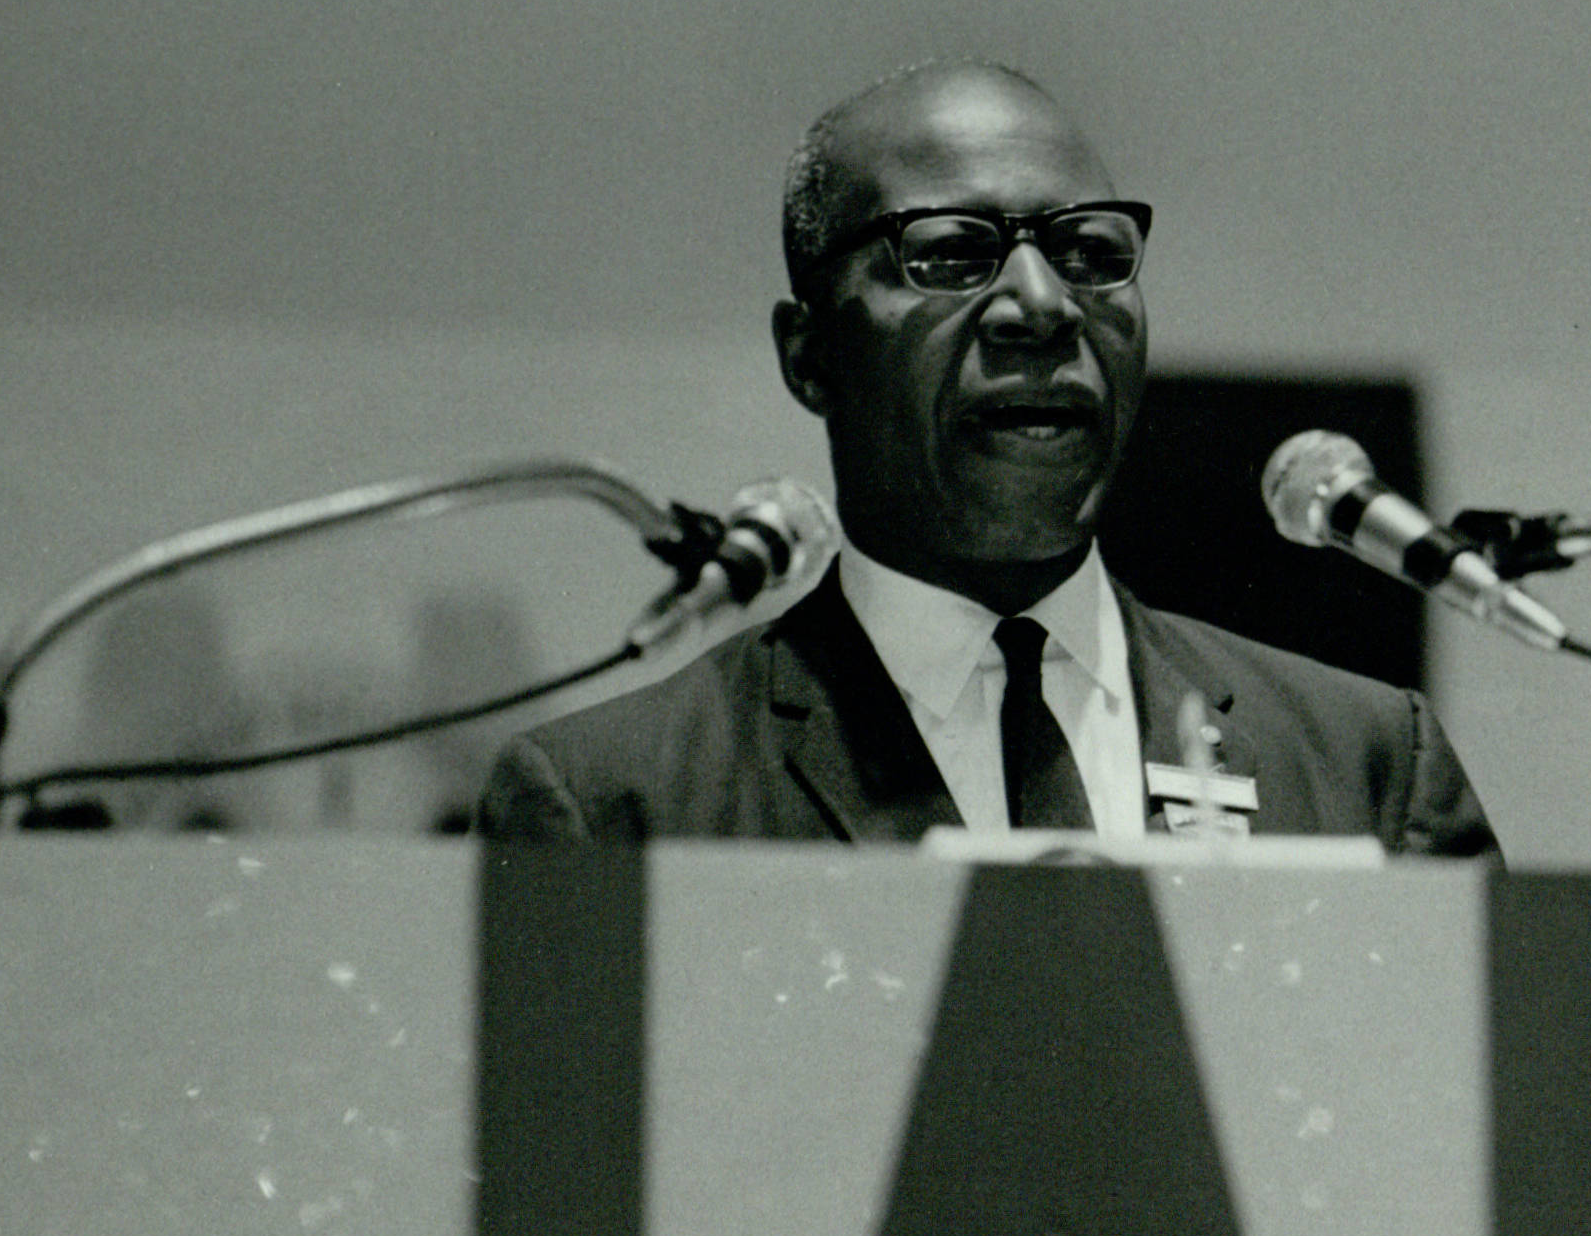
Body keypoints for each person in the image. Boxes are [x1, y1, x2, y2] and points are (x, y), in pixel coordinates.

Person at [476, 61, 1496, 856]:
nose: (1042, 305)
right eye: (951, 253)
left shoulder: (1364, 765)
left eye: (1092, 252)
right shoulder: (617, 800)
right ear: (810, 355)